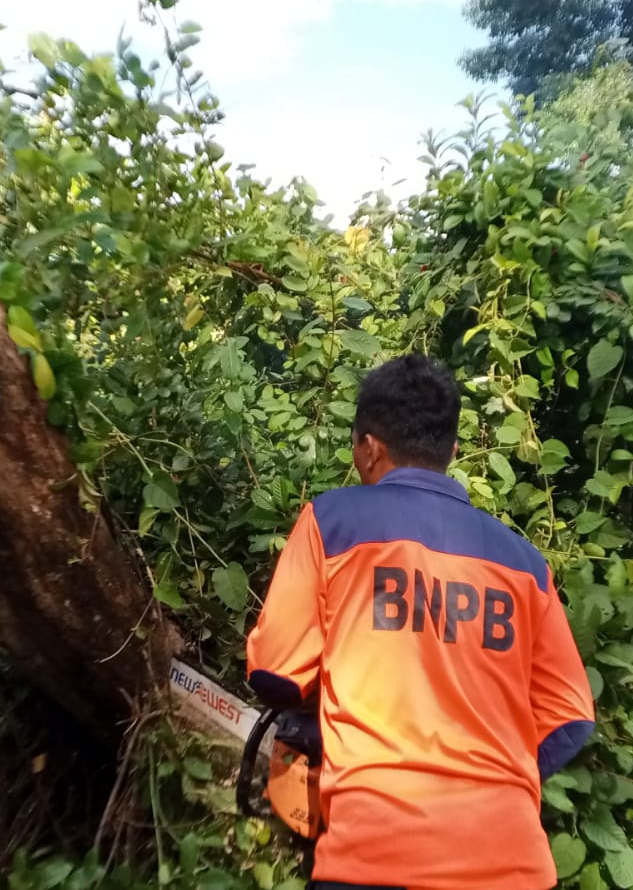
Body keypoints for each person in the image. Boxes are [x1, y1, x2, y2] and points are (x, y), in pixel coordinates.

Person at [245, 353, 597, 890]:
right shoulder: (524, 563)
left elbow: (275, 672)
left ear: (368, 446)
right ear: (452, 451)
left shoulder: (331, 523)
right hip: (512, 865)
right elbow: (570, 717)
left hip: (373, 857)